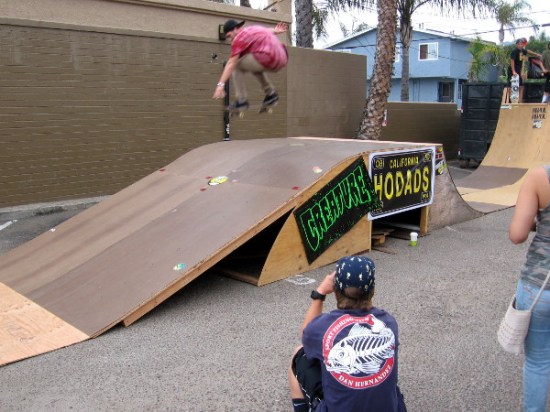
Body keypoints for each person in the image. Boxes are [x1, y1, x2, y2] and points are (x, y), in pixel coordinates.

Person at [288, 256, 407, 412]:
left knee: (298, 354)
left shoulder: (321, 328)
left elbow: (306, 335)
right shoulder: (389, 323)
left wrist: (320, 293)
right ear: (372, 290)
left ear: (336, 289)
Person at [509, 166, 550, 412]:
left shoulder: (539, 177)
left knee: (537, 361)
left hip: (540, 285)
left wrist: (539, 221)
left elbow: (517, 234)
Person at [212, 20, 288, 112]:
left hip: (269, 57)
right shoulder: (253, 29)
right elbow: (269, 31)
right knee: (253, 66)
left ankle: (241, 100)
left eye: (229, 35)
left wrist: (220, 85)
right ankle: (271, 94)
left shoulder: (239, 38)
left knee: (236, 65)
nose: (230, 39)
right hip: (282, 58)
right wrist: (276, 31)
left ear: (236, 29)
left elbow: (231, 64)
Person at [507, 38, 543, 103]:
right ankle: (508, 101)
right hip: (512, 71)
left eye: (521, 44)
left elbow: (528, 51)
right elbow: (512, 61)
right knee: (511, 85)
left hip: (518, 70)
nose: (521, 45)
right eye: (519, 44)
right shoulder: (515, 51)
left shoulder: (522, 51)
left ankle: (519, 101)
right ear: (517, 45)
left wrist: (537, 54)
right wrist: (513, 71)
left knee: (520, 85)